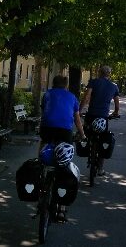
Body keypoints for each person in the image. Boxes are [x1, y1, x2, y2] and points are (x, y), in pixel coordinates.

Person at [39, 75, 85, 222]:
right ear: (66, 85)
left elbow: (44, 112)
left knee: (44, 142)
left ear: (53, 84)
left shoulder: (47, 94)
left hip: (47, 128)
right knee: (64, 162)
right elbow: (77, 119)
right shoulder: (72, 97)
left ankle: (41, 164)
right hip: (65, 131)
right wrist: (82, 134)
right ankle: (62, 210)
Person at [80, 65, 120, 175]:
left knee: (85, 133)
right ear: (109, 74)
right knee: (103, 140)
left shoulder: (93, 82)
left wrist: (80, 110)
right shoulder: (114, 86)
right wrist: (116, 113)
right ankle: (100, 168)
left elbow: (87, 97)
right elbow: (117, 103)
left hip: (91, 115)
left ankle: (87, 148)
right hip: (103, 117)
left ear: (99, 72)